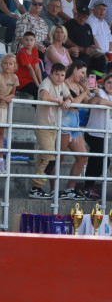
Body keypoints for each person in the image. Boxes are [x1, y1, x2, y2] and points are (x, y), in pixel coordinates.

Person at [28, 62, 71, 199]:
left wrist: (68, 101)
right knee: (49, 157)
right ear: (51, 74)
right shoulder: (46, 82)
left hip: (54, 126)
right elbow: (44, 97)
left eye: (62, 75)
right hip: (43, 125)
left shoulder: (62, 85)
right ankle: (36, 187)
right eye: (56, 74)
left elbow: (69, 96)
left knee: (44, 158)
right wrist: (58, 101)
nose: (59, 77)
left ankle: (37, 187)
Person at [57, 59, 90, 200]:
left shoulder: (80, 86)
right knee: (59, 157)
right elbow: (74, 102)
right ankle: (53, 189)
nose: (83, 75)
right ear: (75, 69)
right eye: (82, 72)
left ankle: (69, 189)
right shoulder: (64, 83)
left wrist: (94, 92)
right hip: (64, 120)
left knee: (83, 157)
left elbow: (89, 102)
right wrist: (86, 91)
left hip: (75, 122)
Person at [81, 71, 112, 200]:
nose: (111, 85)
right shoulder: (100, 92)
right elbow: (98, 101)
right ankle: (87, 187)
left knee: (99, 160)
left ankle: (88, 187)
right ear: (104, 83)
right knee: (99, 160)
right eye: (109, 82)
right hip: (94, 133)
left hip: (106, 135)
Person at [65, 7, 109, 76]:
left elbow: (92, 43)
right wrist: (82, 49)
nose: (82, 19)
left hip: (88, 52)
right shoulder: (69, 24)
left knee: (101, 58)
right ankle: (84, 78)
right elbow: (66, 40)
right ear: (76, 14)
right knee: (85, 57)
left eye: (85, 17)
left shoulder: (87, 27)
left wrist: (95, 51)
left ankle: (96, 80)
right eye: (80, 16)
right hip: (75, 52)